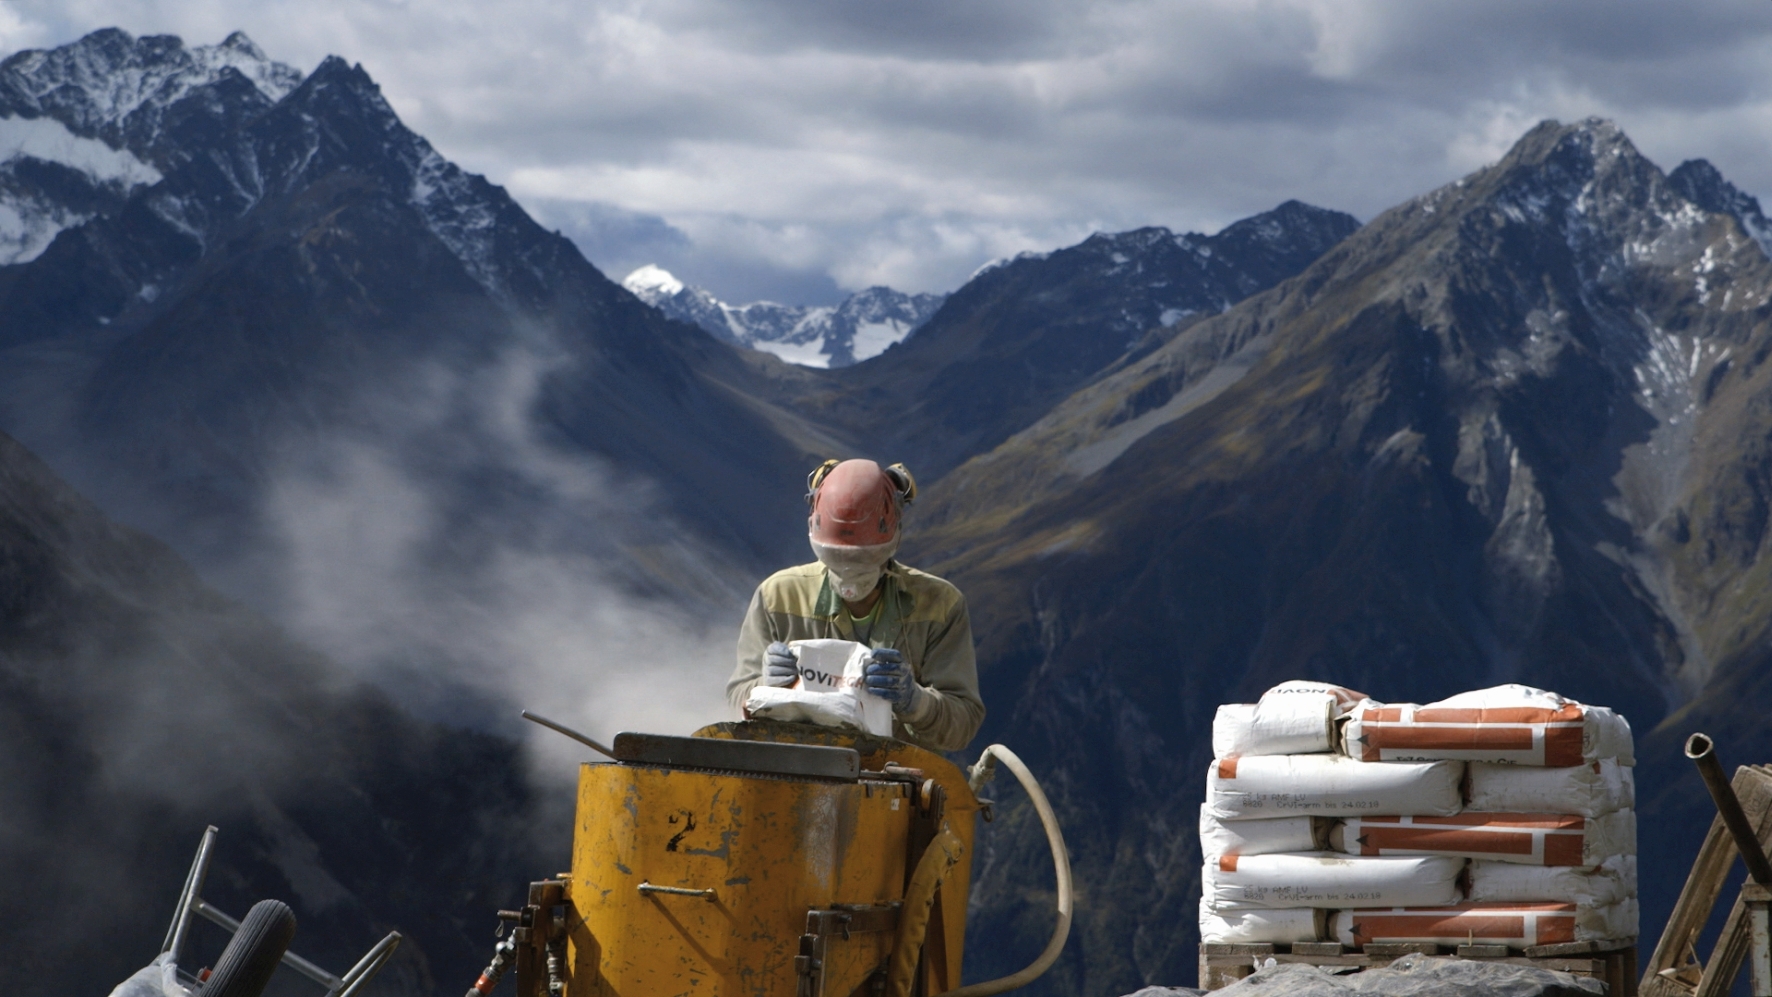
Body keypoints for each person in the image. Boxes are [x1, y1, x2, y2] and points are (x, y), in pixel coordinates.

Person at [728, 458, 985, 752]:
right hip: (799, 769)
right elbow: (738, 696)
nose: (849, 571)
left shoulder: (939, 606)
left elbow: (962, 725)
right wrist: (762, 686)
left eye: (863, 558)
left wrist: (916, 703)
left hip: (899, 779)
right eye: (836, 557)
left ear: (893, 537)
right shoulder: (778, 597)